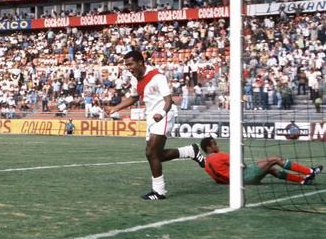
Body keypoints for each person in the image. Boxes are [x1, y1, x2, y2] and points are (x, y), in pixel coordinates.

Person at [107, 50, 205, 200]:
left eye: (131, 64)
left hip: (164, 114)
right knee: (156, 155)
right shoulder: (135, 79)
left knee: (151, 153)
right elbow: (134, 97)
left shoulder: (157, 77)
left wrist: (162, 113)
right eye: (126, 65)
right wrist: (116, 108)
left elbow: (168, 100)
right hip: (151, 117)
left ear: (140, 62)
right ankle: (190, 151)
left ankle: (159, 191)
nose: (129, 68)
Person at [200, 137, 323, 185]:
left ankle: (303, 180)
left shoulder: (206, 165)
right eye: (214, 144)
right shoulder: (219, 156)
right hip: (245, 177)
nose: (217, 145)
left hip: (236, 182)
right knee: (275, 159)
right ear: (209, 148)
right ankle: (310, 171)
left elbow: (218, 180)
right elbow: (241, 165)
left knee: (270, 168)